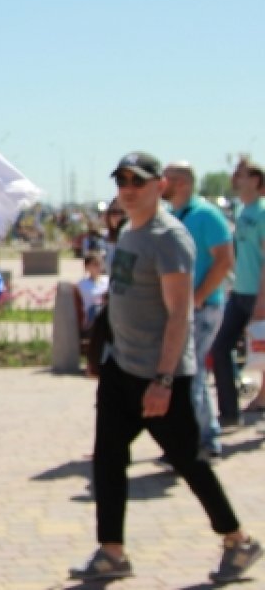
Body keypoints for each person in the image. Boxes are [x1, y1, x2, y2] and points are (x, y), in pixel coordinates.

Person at [70, 152, 260, 584]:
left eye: (138, 180)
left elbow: (179, 314)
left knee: (189, 461)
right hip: (123, 368)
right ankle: (112, 551)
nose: (128, 188)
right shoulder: (130, 231)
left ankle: (237, 539)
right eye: (121, 180)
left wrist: (164, 380)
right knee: (108, 459)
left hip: (159, 374)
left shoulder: (169, 237)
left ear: (160, 186)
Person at [162, 161, 233, 457]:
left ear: (183, 183)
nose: (161, 184)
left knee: (192, 375)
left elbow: (225, 260)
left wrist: (199, 296)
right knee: (183, 375)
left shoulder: (207, 215)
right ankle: (193, 437)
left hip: (202, 308)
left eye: (167, 179)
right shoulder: (171, 216)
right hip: (180, 308)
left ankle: (203, 439)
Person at [211, 162, 265, 428]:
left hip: (259, 295)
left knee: (261, 353)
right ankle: (230, 412)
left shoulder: (263, 212)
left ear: (256, 180)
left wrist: (262, 299)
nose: (235, 178)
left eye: (241, 175)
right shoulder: (243, 212)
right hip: (240, 293)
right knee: (220, 348)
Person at [77, 251, 110, 329]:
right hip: (92, 318)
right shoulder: (82, 284)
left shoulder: (107, 281)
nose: (99, 267)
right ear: (87, 267)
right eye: (95, 264)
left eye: (100, 264)